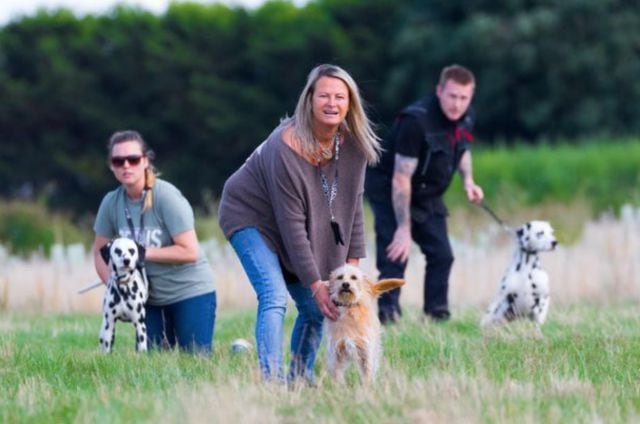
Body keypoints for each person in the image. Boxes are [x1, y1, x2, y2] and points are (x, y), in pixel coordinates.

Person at [218, 64, 381, 384]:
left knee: (316, 307)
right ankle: (272, 381)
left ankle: (300, 378)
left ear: (350, 104)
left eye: (340, 97)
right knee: (275, 295)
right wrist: (316, 283)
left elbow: (353, 208)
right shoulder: (285, 147)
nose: (332, 103)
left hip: (293, 224)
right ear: (309, 100)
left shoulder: (355, 146)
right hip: (250, 215)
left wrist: (351, 266)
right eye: (324, 95)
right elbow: (290, 224)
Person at [365, 64, 484, 324]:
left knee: (442, 254)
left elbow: (462, 149)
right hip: (389, 187)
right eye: (452, 96)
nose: (457, 104)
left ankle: (436, 314)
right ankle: (388, 315)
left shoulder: (466, 116)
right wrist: (403, 228)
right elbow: (400, 178)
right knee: (395, 253)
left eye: (464, 98)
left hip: (427, 193)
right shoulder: (416, 122)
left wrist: (468, 182)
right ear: (439, 91)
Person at [93, 130, 216, 354]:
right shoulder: (111, 203)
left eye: (133, 159)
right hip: (148, 299)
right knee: (155, 365)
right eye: (118, 161)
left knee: (195, 361)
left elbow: (190, 251)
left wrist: (141, 253)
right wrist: (117, 286)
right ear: (111, 165)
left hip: (188, 291)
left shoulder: (166, 196)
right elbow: (99, 253)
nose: (126, 166)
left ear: (146, 161)